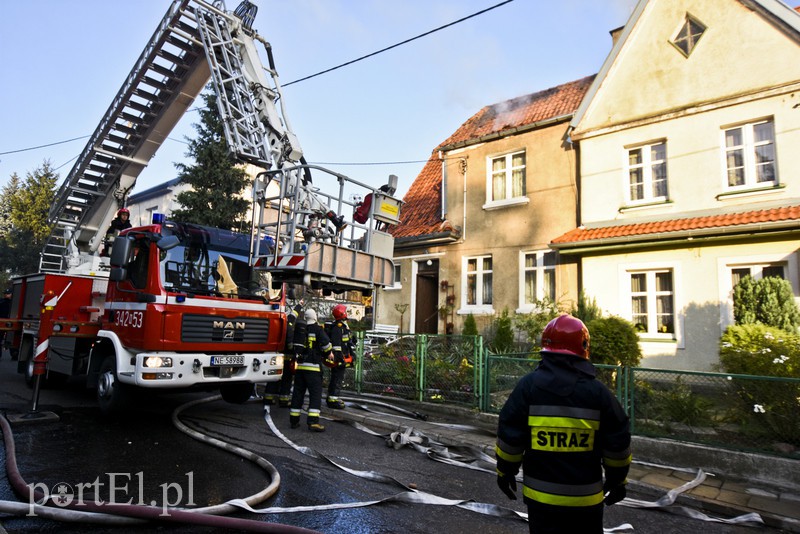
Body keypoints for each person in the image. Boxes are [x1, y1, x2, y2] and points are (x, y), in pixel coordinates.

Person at [495, 314, 631, 534]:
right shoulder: (599, 393)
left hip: (541, 502)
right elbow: (618, 444)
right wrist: (617, 481)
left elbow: (510, 437)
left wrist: (505, 472)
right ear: (583, 347)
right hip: (585, 503)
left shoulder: (528, 387)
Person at [289, 308, 334, 432]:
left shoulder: (300, 330)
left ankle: (294, 421)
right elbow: (326, 345)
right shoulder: (318, 329)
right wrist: (329, 353)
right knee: (315, 395)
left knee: (298, 394)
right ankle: (313, 422)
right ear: (315, 317)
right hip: (313, 369)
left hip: (300, 367)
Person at [263, 302, 303, 407]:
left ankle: (268, 398)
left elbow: (293, 315)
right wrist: (292, 348)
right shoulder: (288, 325)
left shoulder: (278, 324)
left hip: (275, 355)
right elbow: (290, 339)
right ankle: (284, 400)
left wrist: (299, 305)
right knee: (286, 379)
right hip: (286, 357)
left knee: (274, 377)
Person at [325, 304, 355, 409]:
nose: (347, 313)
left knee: (337, 378)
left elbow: (345, 342)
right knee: (337, 379)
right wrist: (340, 359)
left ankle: (332, 398)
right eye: (345, 311)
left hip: (341, 357)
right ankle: (333, 400)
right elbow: (337, 346)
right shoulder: (338, 328)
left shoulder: (342, 326)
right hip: (339, 359)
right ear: (341, 313)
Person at [0, 289, 11, 361]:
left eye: (8, 293)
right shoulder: (2, 301)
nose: (6, 294)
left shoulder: (14, 302)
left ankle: (15, 353)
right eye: (5, 293)